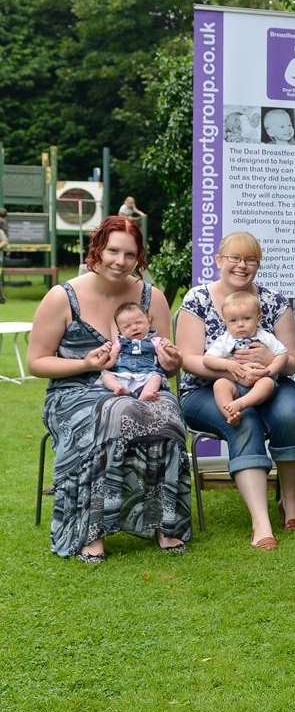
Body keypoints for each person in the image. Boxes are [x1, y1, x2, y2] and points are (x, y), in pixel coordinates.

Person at [29, 216, 189, 560]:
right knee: (116, 411)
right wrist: (86, 364)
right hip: (73, 392)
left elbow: (167, 367)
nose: (120, 261)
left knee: (169, 413)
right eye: (112, 251)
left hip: (142, 387)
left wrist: (172, 362)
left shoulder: (152, 297)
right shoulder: (63, 297)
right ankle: (91, 530)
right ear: (97, 249)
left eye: (129, 254)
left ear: (139, 258)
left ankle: (166, 523)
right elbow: (37, 362)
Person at [177, 232, 295, 550]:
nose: (242, 265)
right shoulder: (197, 299)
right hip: (206, 388)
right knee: (244, 419)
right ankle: (261, 522)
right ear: (219, 260)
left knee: (291, 413)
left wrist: (270, 362)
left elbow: (292, 362)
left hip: (266, 380)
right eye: (234, 258)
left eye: (250, 259)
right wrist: (228, 368)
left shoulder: (274, 301)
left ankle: (289, 502)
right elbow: (188, 358)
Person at [202, 290, 291, 425]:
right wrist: (227, 364)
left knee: (267, 383)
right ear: (225, 322)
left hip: (260, 382)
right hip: (234, 384)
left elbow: (282, 355)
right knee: (220, 385)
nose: (240, 324)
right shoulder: (225, 340)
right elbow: (207, 359)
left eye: (246, 318)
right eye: (233, 320)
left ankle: (241, 404)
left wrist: (269, 371)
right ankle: (231, 414)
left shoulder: (265, 337)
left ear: (258, 318)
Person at [98, 301, 167, 401]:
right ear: (120, 331)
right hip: (122, 374)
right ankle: (118, 388)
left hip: (146, 375)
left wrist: (167, 347)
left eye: (138, 323)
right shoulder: (119, 343)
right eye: (127, 326)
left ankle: (146, 394)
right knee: (105, 375)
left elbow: (165, 352)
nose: (134, 328)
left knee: (157, 377)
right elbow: (111, 358)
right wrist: (106, 351)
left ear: (149, 321)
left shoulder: (155, 341)